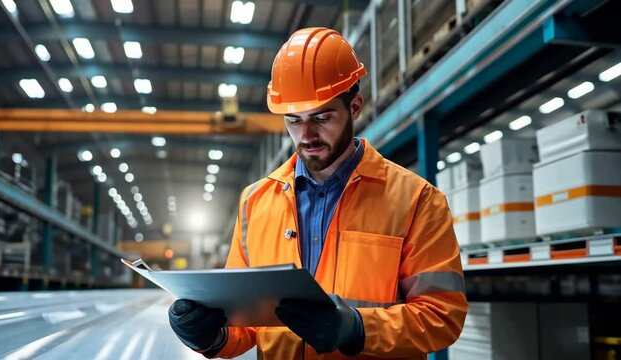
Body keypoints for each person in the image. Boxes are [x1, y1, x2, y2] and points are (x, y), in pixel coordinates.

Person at [168, 27, 468, 359]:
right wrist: (209, 333)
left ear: (354, 107)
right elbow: (245, 325)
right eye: (294, 121)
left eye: (322, 118)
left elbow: (443, 316)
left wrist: (357, 328)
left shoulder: (416, 200)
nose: (306, 135)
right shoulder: (256, 201)